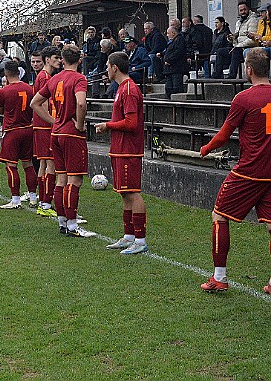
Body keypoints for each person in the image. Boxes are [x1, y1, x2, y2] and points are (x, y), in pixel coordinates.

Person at [199, 48, 271, 293]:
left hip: (249, 171)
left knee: (219, 216)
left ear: (248, 70)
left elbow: (223, 136)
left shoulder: (243, 98)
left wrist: (206, 148)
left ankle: (219, 277)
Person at [31, 44, 96, 238]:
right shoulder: (79, 78)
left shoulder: (54, 79)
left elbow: (35, 103)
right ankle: (73, 225)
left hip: (56, 133)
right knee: (74, 180)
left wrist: (54, 121)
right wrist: (80, 124)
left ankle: (62, 222)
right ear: (79, 60)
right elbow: (81, 102)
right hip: (71, 133)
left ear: (62, 59)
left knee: (61, 178)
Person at [94, 51, 148, 254]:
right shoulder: (121, 89)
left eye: (108, 66)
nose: (106, 70)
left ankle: (140, 240)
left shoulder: (129, 90)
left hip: (129, 150)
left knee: (133, 192)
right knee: (125, 193)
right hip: (120, 148)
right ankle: (129, 236)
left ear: (114, 67)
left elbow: (132, 123)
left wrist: (108, 125)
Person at [0, 61, 37, 209]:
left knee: (11, 165)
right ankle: (33, 197)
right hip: (28, 128)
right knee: (28, 164)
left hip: (12, 130)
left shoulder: (4, 91)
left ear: (6, 73)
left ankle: (15, 199)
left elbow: (1, 111)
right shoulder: (29, 88)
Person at [32, 46, 61, 216]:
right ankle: (45, 203)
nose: (59, 61)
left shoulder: (44, 76)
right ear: (48, 59)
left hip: (41, 125)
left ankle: (42, 201)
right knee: (51, 164)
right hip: (44, 125)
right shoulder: (45, 77)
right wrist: (53, 122)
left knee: (43, 163)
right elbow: (42, 104)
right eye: (56, 58)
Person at [214, 1, 258, 79]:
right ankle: (216, 75)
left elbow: (253, 40)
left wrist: (238, 46)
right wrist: (231, 39)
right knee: (220, 51)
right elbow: (236, 37)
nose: (243, 12)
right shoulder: (238, 22)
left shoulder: (253, 20)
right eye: (241, 10)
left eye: (244, 9)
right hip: (238, 47)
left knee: (236, 51)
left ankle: (232, 76)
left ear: (248, 9)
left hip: (248, 48)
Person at [157, 27, 188, 99]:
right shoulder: (172, 42)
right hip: (169, 70)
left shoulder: (179, 40)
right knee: (168, 88)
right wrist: (162, 54)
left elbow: (178, 52)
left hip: (176, 69)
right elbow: (169, 51)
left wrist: (169, 60)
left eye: (168, 33)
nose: (167, 35)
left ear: (173, 33)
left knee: (176, 88)